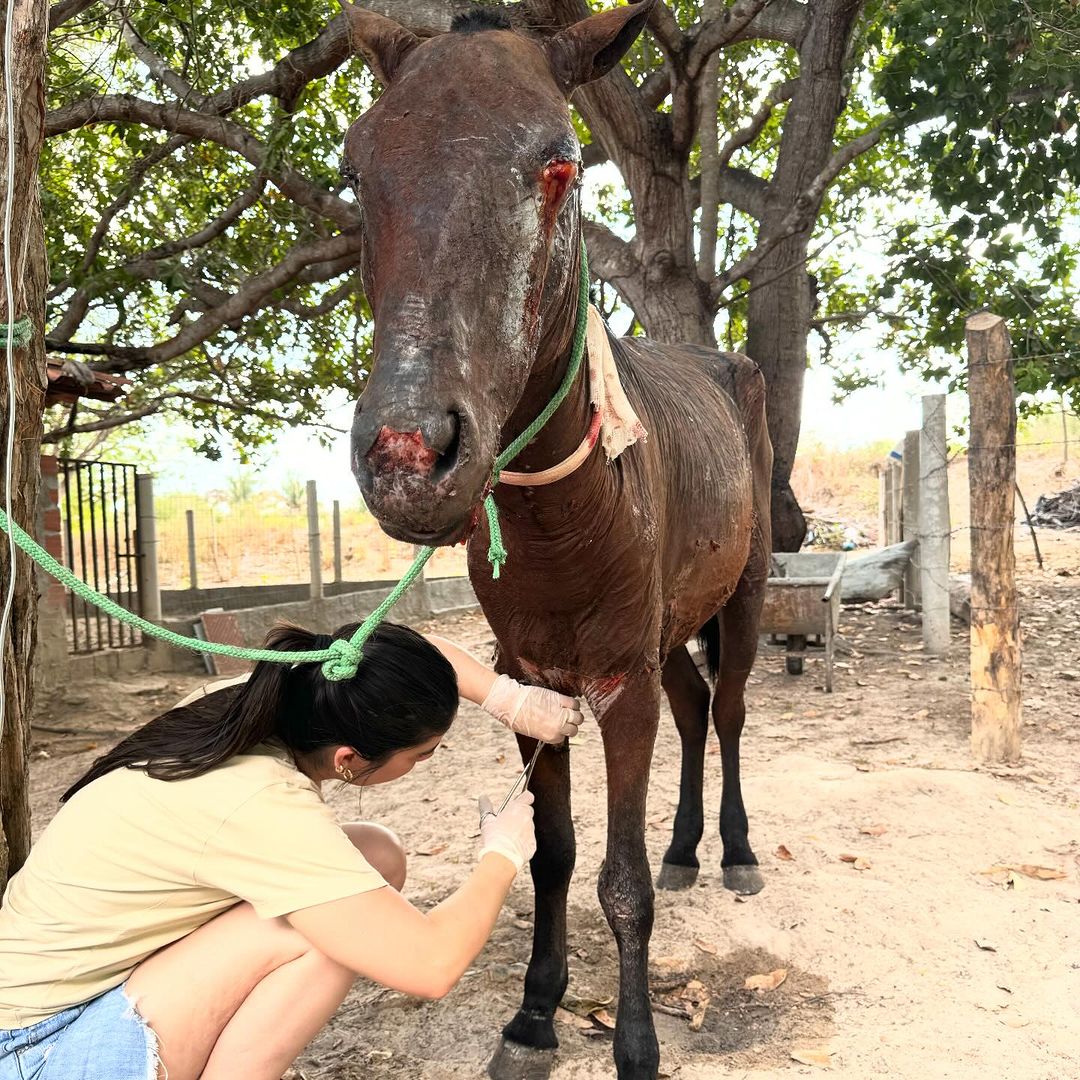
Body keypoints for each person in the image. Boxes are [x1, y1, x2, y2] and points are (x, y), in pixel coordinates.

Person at [0, 620, 582, 1080]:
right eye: (424, 754)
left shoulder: (260, 695)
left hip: (51, 997)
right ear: (348, 761)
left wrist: (505, 697)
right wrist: (502, 854)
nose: (427, 760)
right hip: (39, 1051)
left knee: (373, 855)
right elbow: (429, 966)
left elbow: (386, 653)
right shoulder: (260, 801)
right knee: (321, 931)